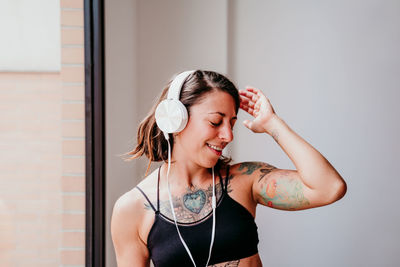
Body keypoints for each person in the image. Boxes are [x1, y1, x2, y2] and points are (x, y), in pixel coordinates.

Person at [111, 70, 347, 267]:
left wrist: (272, 123)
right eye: (215, 122)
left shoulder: (245, 180)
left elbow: (329, 188)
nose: (228, 135)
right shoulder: (132, 209)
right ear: (176, 119)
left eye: (232, 123)